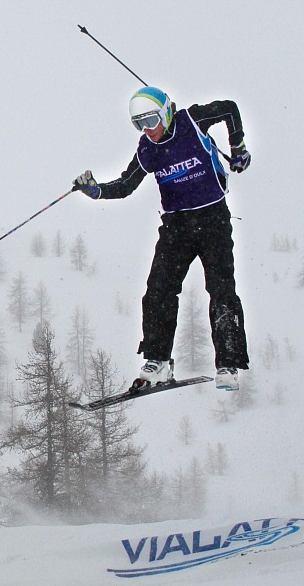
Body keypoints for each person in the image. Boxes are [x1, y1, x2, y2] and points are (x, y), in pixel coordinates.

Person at [73, 86, 251, 391]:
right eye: (139, 124)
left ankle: (228, 363)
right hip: (176, 226)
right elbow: (126, 185)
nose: (148, 130)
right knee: (158, 291)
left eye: (151, 120)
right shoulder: (148, 149)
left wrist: (238, 148)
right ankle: (158, 362)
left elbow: (229, 108)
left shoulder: (192, 120)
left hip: (212, 219)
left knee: (221, 290)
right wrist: (97, 190)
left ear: (166, 113)